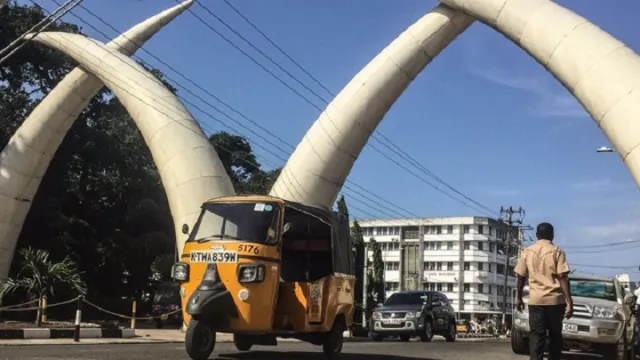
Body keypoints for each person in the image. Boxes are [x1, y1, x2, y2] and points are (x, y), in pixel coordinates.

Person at [514, 222, 572, 360]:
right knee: (555, 336)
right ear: (552, 235)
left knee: (536, 336)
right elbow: (562, 277)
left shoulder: (527, 252)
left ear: (537, 235)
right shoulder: (557, 252)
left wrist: (519, 297)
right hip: (555, 302)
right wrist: (569, 301)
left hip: (536, 301)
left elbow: (521, 276)